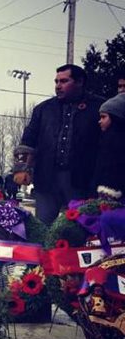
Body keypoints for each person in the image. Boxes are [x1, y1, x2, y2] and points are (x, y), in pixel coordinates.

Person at [13, 64, 104, 225]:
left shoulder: (98, 108)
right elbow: (28, 139)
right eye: (56, 82)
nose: (58, 86)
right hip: (46, 179)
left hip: (82, 181)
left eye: (64, 81)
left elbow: (107, 146)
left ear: (79, 82)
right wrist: (22, 169)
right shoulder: (43, 109)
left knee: (81, 227)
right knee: (42, 226)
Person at [92, 93, 125, 200]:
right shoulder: (105, 139)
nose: (99, 121)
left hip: (113, 197)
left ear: (116, 118)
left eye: (103, 117)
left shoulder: (116, 144)